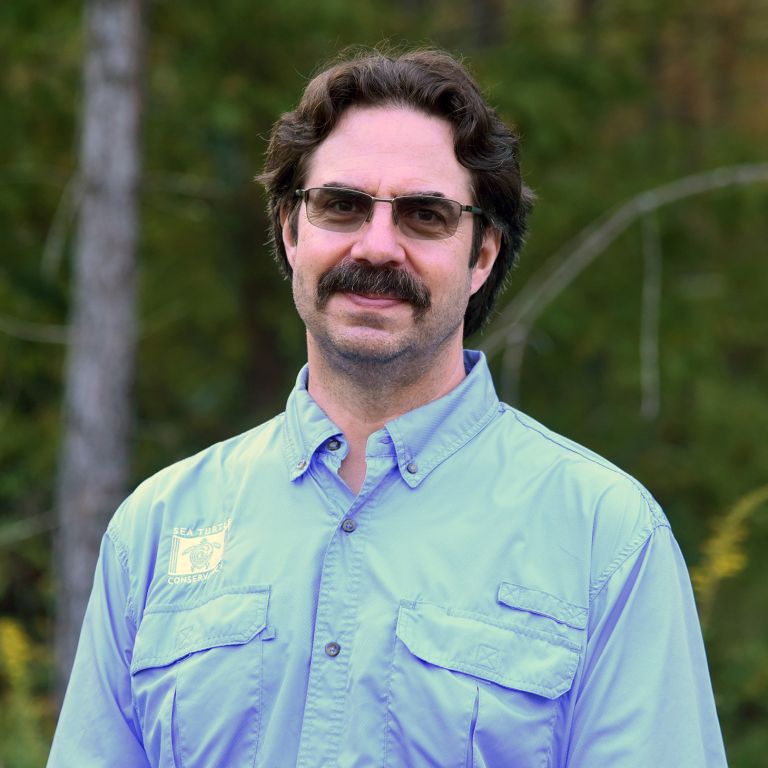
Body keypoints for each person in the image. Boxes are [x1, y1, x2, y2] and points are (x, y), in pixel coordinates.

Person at [48, 48, 727, 767]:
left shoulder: (605, 540)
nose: (377, 247)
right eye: (341, 205)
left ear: (482, 255)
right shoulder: (156, 530)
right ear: (291, 230)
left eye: (425, 215)